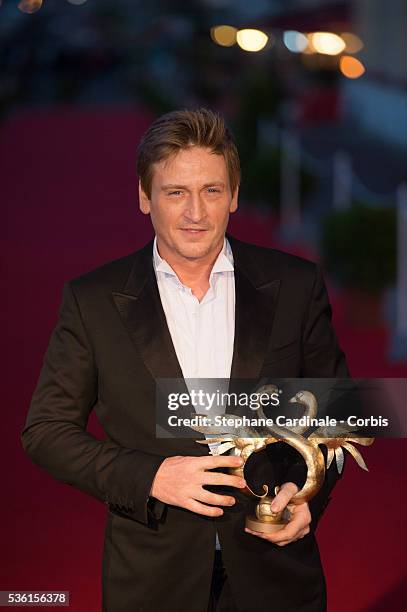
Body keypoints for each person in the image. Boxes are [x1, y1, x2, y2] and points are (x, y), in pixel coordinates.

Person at [21, 108, 349, 612]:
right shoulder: (93, 300)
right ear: (143, 196)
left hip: (276, 574)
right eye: (176, 192)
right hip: (153, 579)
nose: (195, 212)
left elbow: (335, 415)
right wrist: (151, 477)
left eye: (212, 191)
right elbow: (45, 430)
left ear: (234, 195)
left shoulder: (296, 286)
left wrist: (309, 498)